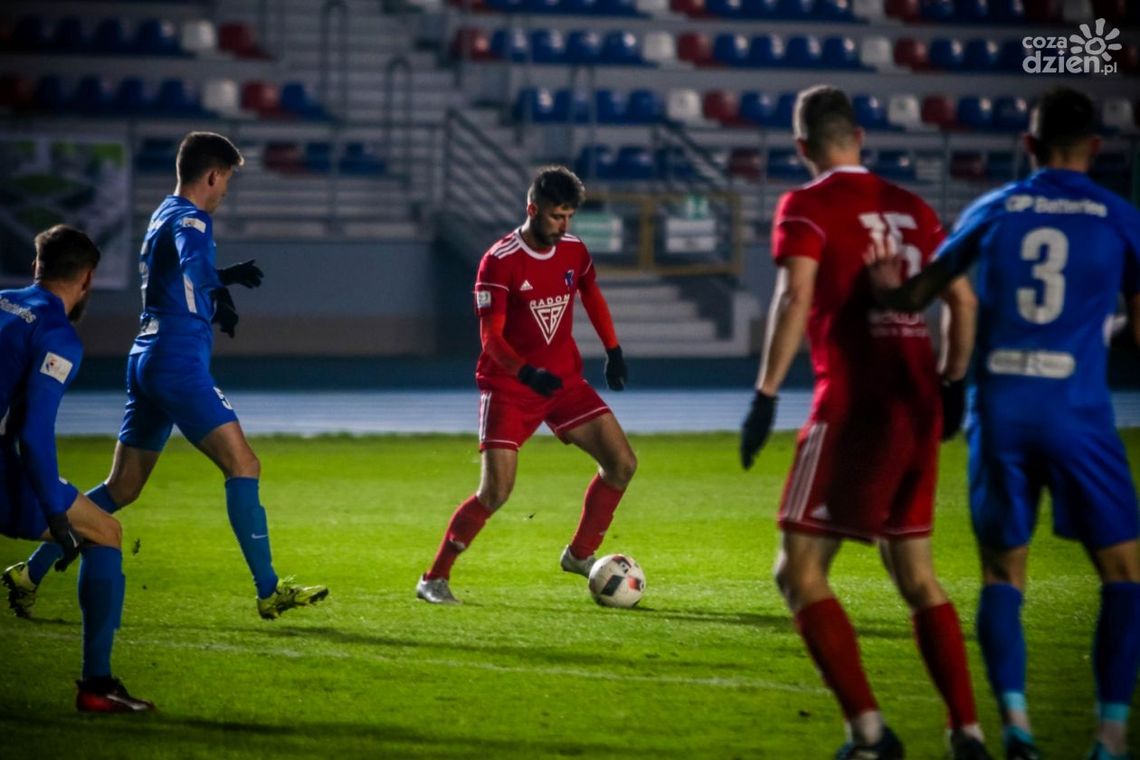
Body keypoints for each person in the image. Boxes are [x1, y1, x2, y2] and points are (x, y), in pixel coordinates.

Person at [865, 86, 1140, 760]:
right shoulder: (1120, 216)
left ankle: (1016, 726)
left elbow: (924, 293)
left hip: (1004, 409)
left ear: (1028, 144)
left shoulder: (995, 208)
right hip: (1079, 412)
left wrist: (883, 287)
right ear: (1096, 149)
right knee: (1123, 573)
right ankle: (1109, 737)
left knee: (1001, 576)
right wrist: (1097, 329)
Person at [738, 85, 989, 759]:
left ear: (803, 148)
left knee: (798, 573)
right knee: (916, 575)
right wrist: (954, 384)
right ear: (860, 140)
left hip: (853, 409)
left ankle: (869, 733)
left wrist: (765, 395)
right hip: (917, 403)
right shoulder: (912, 207)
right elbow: (963, 303)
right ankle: (967, 731)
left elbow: (795, 296)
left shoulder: (808, 205)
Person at [4, 132, 327, 621]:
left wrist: (219, 291)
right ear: (213, 174)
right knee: (244, 464)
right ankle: (269, 589)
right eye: (227, 181)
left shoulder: (164, 211)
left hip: (148, 354)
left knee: (123, 487)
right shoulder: (194, 219)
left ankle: (29, 572)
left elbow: (179, 272)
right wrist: (220, 285)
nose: (226, 192)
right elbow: (194, 264)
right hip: (176, 359)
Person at [416, 165, 636, 604]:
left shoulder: (574, 250)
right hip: (510, 388)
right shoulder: (498, 261)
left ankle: (579, 555)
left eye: (570, 216)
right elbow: (491, 340)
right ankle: (434, 579)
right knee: (495, 492)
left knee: (622, 464)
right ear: (532, 209)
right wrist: (525, 373)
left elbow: (590, 293)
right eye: (557, 216)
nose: (565, 225)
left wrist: (613, 349)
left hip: (563, 382)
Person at [0, 225, 154, 711]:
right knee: (105, 532)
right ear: (87, 279)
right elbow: (36, 434)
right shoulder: (59, 336)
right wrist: (56, 513)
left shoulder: (3, 300)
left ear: (35, 268)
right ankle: (97, 685)